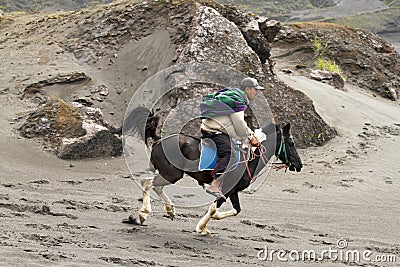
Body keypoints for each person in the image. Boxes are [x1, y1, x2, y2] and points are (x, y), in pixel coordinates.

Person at [200, 77, 264, 198]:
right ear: (248, 89)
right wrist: (250, 137)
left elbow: (237, 125)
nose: (257, 92)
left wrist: (249, 135)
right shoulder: (238, 101)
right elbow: (239, 124)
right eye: (256, 90)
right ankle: (215, 184)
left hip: (212, 126)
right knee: (231, 155)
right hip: (213, 130)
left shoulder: (235, 97)